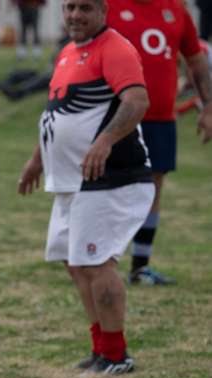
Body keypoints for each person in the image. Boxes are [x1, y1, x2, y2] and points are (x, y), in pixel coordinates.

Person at [17, 0, 154, 375]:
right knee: (76, 264)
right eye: (70, 7)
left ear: (103, 12)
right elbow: (56, 112)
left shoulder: (115, 48)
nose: (75, 15)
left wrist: (106, 140)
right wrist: (37, 159)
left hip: (109, 178)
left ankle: (116, 355)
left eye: (86, 8)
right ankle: (101, 349)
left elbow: (137, 101)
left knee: (95, 262)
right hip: (72, 182)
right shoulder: (68, 51)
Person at [106, 0, 212, 285]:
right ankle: (99, 262)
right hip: (116, 116)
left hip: (161, 118)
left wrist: (208, 106)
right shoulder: (109, 7)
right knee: (109, 188)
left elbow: (196, 58)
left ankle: (140, 267)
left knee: (152, 190)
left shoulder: (176, 9)